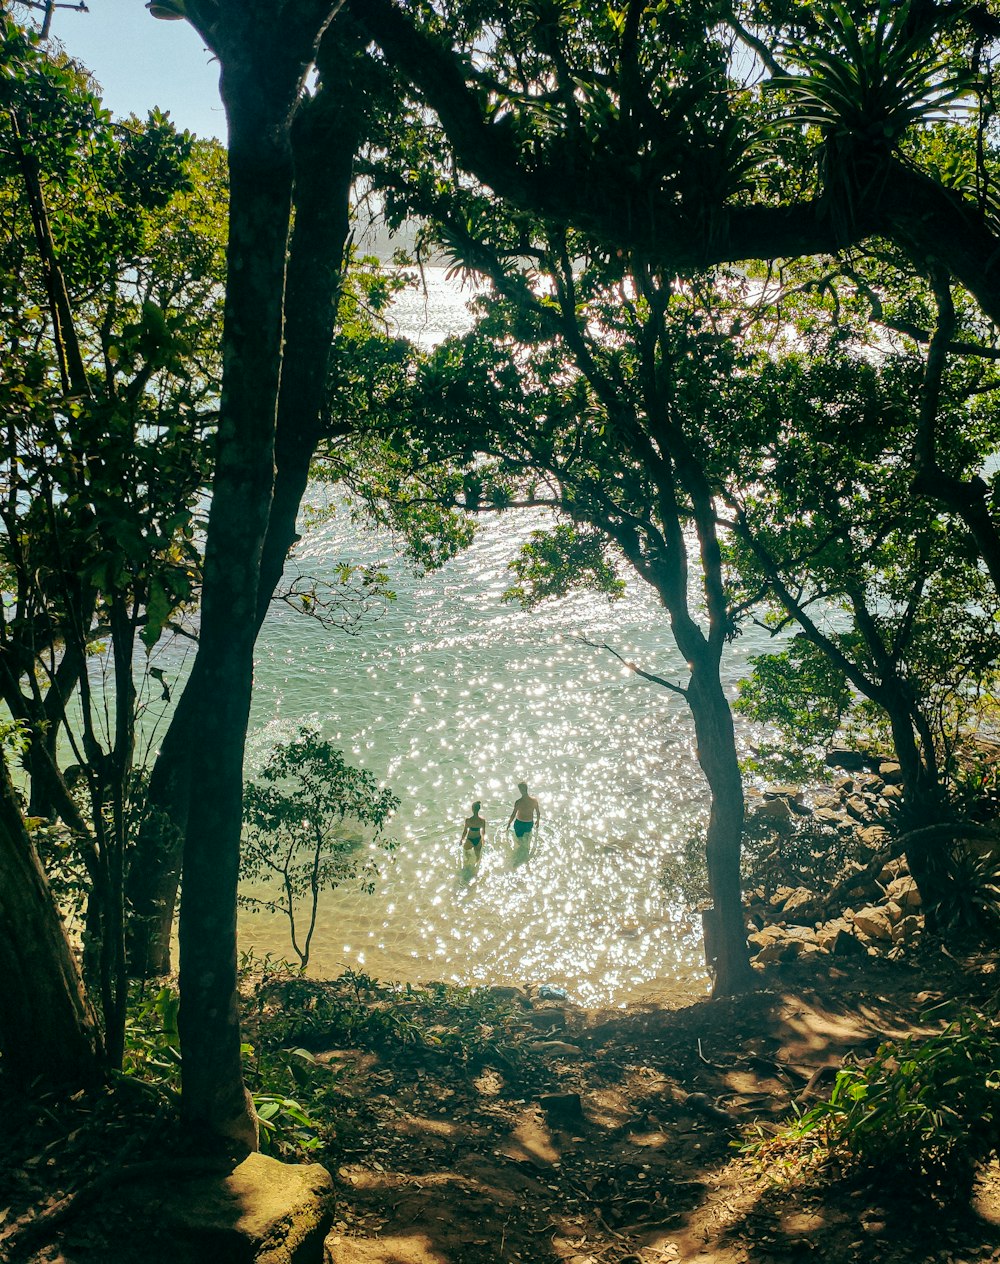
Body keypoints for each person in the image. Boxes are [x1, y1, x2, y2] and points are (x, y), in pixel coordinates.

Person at [460, 800, 486, 864]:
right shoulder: (482, 821)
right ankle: (476, 867)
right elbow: (483, 832)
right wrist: (483, 839)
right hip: (478, 839)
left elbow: (465, 831)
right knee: (477, 856)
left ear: (472, 809)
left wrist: (461, 839)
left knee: (466, 851)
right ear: (478, 809)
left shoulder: (468, 820)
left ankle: (468, 864)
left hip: (470, 839)